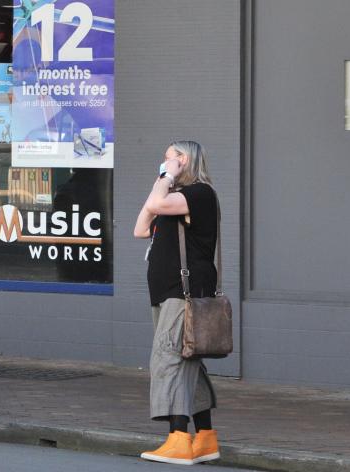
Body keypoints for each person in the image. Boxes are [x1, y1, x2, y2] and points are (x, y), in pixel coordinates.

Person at [133, 140, 220, 465]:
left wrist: (167, 178)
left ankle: (179, 439)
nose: (162, 164)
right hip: (168, 291)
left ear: (183, 161)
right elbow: (140, 228)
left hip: (183, 292)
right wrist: (163, 184)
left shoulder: (199, 194)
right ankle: (206, 440)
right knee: (187, 363)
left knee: (167, 360)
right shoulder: (171, 200)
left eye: (168, 158)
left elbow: (157, 203)